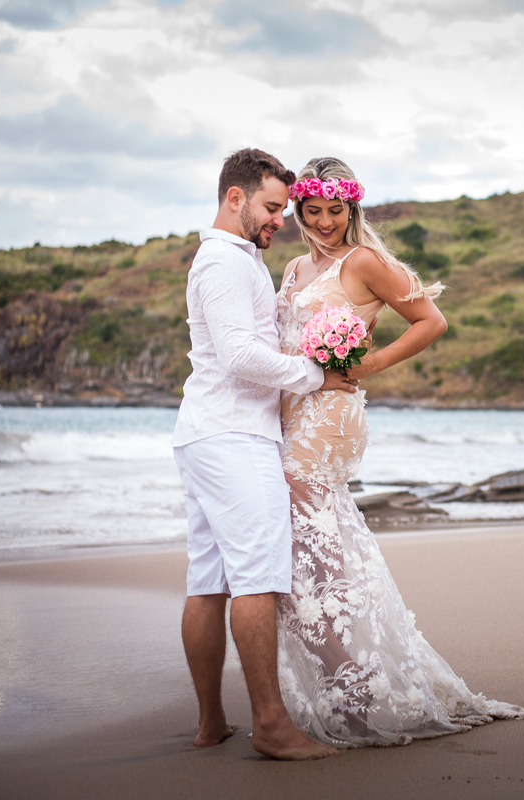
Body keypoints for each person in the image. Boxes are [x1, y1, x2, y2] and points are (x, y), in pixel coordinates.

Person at [273, 156, 524, 747]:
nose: (325, 222)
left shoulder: (364, 261)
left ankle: (354, 688)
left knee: (310, 537)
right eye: (313, 211)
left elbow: (430, 321)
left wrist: (370, 363)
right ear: (299, 210)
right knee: (310, 542)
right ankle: (350, 682)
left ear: (351, 206)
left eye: (336, 210)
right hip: (292, 408)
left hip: (332, 411)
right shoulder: (291, 266)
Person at [170, 148, 356, 761]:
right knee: (256, 579)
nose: (282, 219)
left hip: (206, 433)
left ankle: (210, 723)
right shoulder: (224, 262)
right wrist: (314, 375)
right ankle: (272, 724)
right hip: (235, 437)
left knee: (209, 580)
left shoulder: (236, 259)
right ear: (235, 198)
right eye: (273, 207)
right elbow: (241, 357)